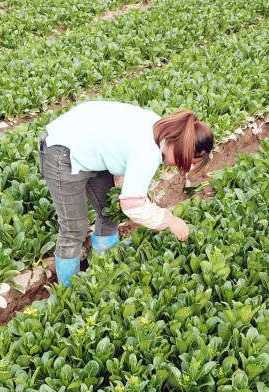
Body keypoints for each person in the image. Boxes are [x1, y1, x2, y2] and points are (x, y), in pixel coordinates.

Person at [39, 101, 213, 286]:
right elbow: (132, 205)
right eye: (185, 161)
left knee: (109, 213)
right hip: (62, 150)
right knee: (74, 229)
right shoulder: (148, 151)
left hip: (88, 146)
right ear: (181, 147)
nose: (180, 165)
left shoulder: (159, 130)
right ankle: (68, 291)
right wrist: (169, 220)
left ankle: (104, 274)